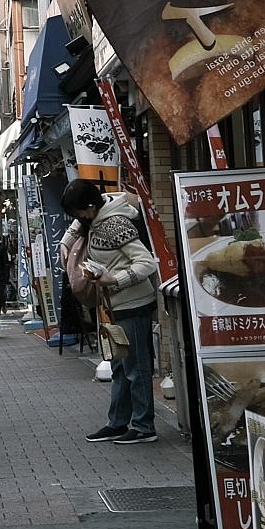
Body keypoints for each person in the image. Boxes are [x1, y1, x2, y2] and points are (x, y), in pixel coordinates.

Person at [59, 179, 160, 445]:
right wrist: (66, 243)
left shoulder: (116, 224)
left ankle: (143, 425)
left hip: (132, 303)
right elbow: (75, 227)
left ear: (90, 207)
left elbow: (146, 263)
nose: (76, 219)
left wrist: (115, 280)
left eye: (78, 212)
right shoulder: (92, 220)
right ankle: (117, 422)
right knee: (119, 366)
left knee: (135, 368)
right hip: (112, 307)